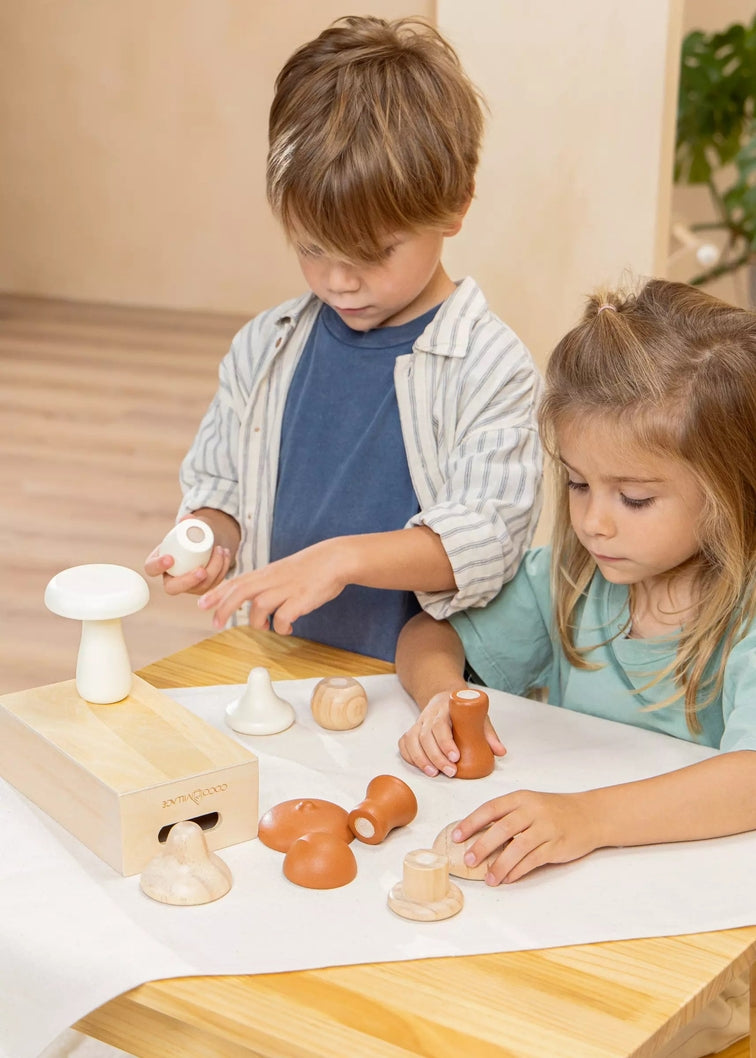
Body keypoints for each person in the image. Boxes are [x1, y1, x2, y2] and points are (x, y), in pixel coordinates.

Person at [396, 277, 756, 1057]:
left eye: (633, 497)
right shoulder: (574, 576)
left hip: (696, 954)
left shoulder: (748, 610)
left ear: (728, 490)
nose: (593, 520)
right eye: (579, 483)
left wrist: (587, 820)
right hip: (554, 912)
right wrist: (443, 699)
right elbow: (428, 634)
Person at [144, 16, 542, 662]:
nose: (339, 280)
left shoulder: (489, 365)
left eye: (374, 252)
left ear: (457, 204)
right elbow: (222, 487)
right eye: (310, 248)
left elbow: (486, 538)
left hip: (420, 686)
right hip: (284, 664)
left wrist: (343, 559)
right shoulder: (264, 347)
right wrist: (203, 537)